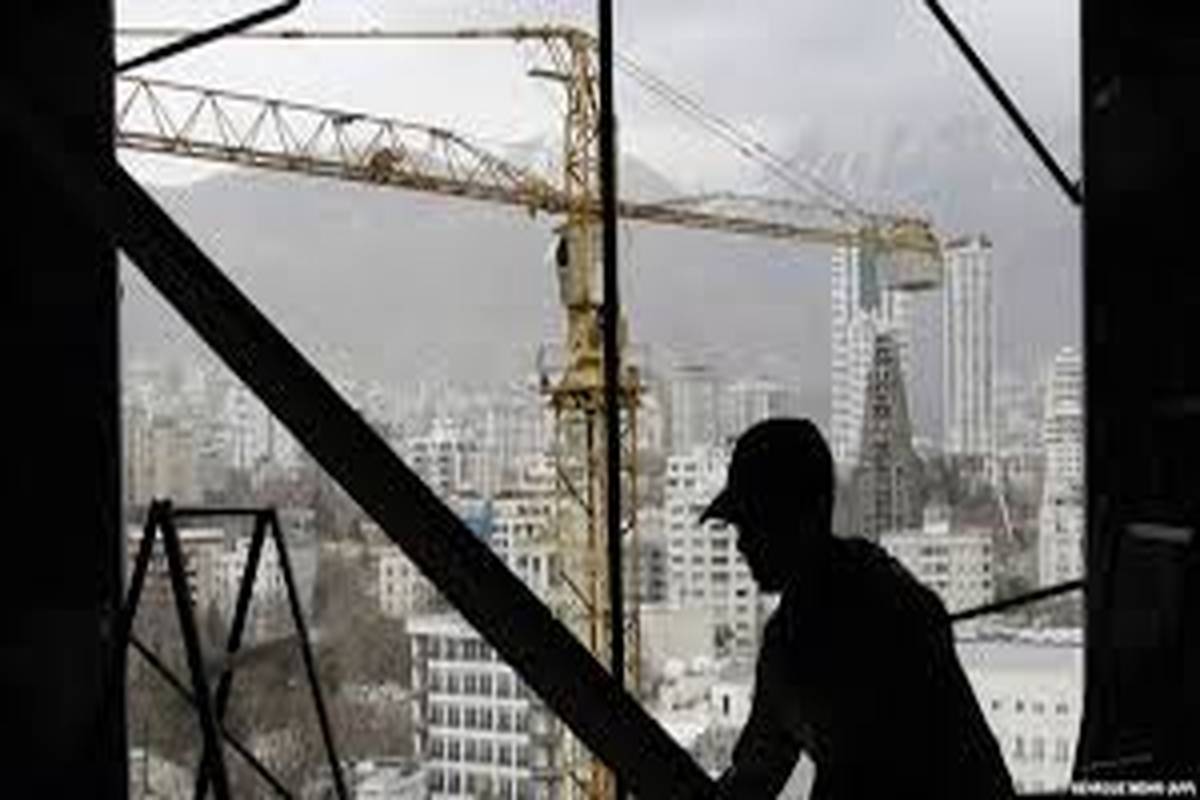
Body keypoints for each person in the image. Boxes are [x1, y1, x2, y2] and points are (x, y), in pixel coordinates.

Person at [704, 418, 1014, 798]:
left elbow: (781, 772)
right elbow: (758, 771)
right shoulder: (810, 629)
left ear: (804, 514)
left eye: (756, 522)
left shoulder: (844, 629)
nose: (742, 543)